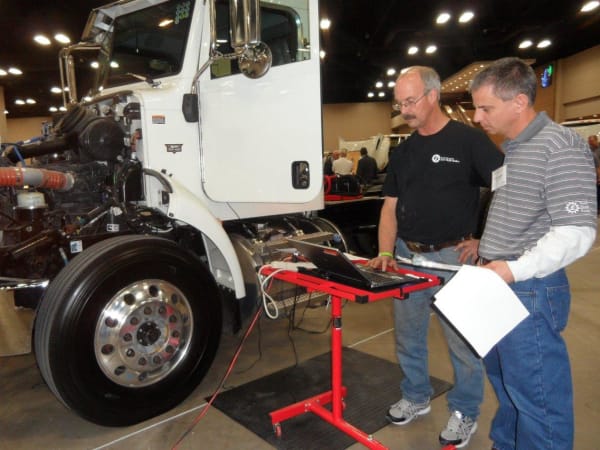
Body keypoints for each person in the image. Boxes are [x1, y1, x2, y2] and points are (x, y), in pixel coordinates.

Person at [368, 65, 504, 448]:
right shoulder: (404, 151)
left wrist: (484, 240)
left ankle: (465, 411)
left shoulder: (469, 141)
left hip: (453, 260)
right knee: (408, 336)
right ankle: (416, 395)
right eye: (399, 103)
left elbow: (508, 189)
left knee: (462, 344)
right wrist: (385, 251)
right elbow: (390, 206)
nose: (404, 110)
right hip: (408, 258)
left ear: (433, 95)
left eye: (410, 101)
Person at [469, 57, 597, 450]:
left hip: (529, 291)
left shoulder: (560, 145)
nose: (476, 117)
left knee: (539, 402)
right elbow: (521, 212)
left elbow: (577, 232)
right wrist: (483, 246)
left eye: (485, 108)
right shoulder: (516, 148)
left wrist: (514, 269)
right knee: (507, 386)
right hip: (499, 281)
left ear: (519, 102)